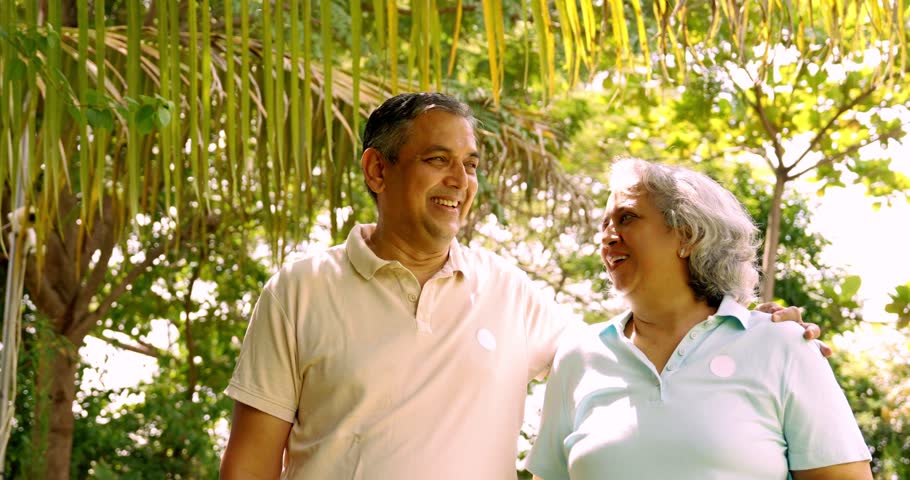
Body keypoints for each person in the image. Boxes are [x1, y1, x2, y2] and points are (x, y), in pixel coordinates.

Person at [219, 93, 819, 479]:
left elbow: (639, 351)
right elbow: (248, 462)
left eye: (471, 164)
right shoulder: (300, 288)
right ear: (379, 169)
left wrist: (744, 327)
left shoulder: (510, 292)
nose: (460, 180)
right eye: (437, 159)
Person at [526, 159, 871, 480]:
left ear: (687, 236)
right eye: (604, 224)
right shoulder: (578, 356)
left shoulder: (783, 345)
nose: (607, 235)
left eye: (626, 218)